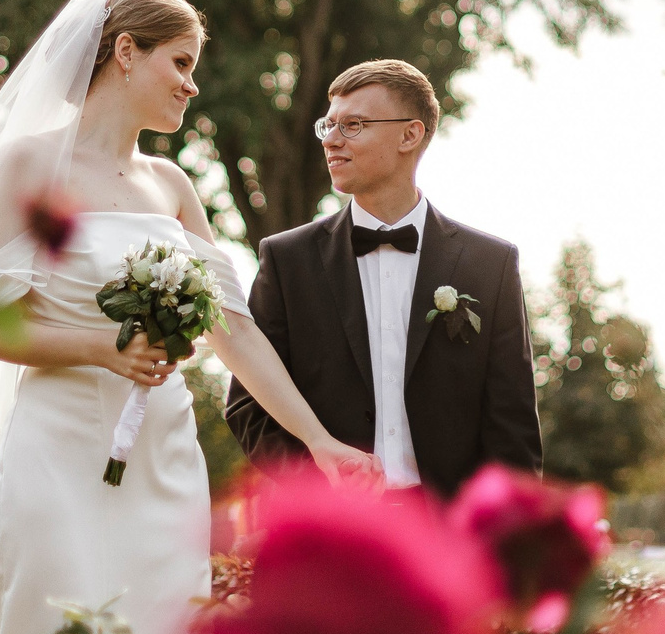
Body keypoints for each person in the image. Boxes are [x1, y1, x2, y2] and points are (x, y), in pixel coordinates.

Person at [0, 0, 377, 634]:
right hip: (58, 449)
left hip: (161, 461)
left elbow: (234, 328)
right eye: (181, 63)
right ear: (125, 51)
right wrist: (98, 346)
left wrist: (319, 441)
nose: (191, 85)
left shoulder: (171, 185)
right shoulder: (28, 166)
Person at [224, 57, 543, 495]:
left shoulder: (490, 263)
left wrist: (502, 527)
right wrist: (319, 489)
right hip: (332, 522)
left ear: (410, 134)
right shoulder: (287, 260)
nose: (331, 140)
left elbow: (514, 426)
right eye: (328, 126)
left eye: (353, 125)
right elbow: (248, 404)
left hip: (450, 526)